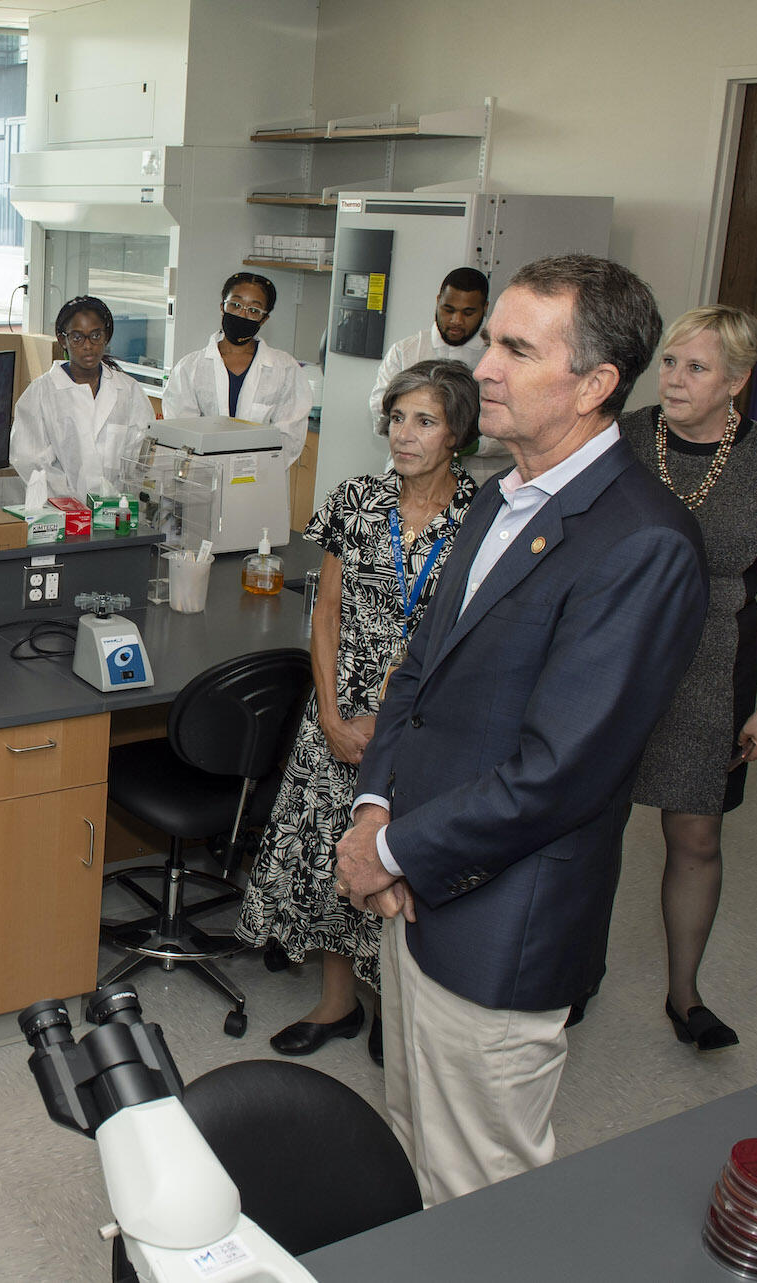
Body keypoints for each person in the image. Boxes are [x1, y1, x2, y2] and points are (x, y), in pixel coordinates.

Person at [334, 254, 708, 1207]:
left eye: (513, 347)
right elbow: (417, 678)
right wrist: (375, 803)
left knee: (482, 1196)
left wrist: (396, 847)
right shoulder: (501, 494)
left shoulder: (642, 542)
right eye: (489, 338)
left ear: (594, 386)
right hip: (415, 888)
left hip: (501, 919)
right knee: (412, 1145)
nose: (482, 367)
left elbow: (560, 772)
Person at [237, 361, 479, 1064]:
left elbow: (475, 635)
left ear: (457, 432)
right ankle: (338, 1001)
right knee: (330, 857)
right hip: (340, 706)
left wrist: (391, 723)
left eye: (424, 421)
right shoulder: (355, 499)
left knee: (405, 860)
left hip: (427, 716)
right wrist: (335, 715)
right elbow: (327, 611)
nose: (404, 435)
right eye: (398, 418)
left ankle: (394, 1011)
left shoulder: (480, 517)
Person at [620, 305, 757, 1051]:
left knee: (695, 834)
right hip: (616, 657)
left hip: (710, 663)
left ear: (737, 380)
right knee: (587, 824)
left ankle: (685, 994)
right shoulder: (627, 436)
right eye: (670, 362)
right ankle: (568, 977)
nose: (673, 378)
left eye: (696, 368)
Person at [367, 268, 504, 483]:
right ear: (438, 301)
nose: (456, 320)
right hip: (407, 477)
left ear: (485, 308)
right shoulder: (406, 351)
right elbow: (381, 412)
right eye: (448, 309)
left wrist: (477, 444)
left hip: (477, 480)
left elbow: (520, 426)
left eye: (468, 313)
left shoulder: (500, 356)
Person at [11, 296, 155, 500]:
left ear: (106, 337)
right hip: (61, 513)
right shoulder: (41, 393)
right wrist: (72, 505)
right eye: (77, 337)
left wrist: (116, 502)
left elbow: (140, 457)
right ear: (63, 340)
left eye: (95, 336)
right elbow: (30, 461)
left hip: (117, 511)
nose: (88, 346)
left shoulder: (128, 391)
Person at [161, 272, 310, 455]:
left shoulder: (285, 369)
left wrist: (250, 468)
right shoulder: (190, 367)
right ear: (222, 306)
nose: (242, 314)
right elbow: (181, 430)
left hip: (261, 477)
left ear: (264, 319)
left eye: (254, 310)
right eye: (236, 305)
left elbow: (289, 437)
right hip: (202, 475)